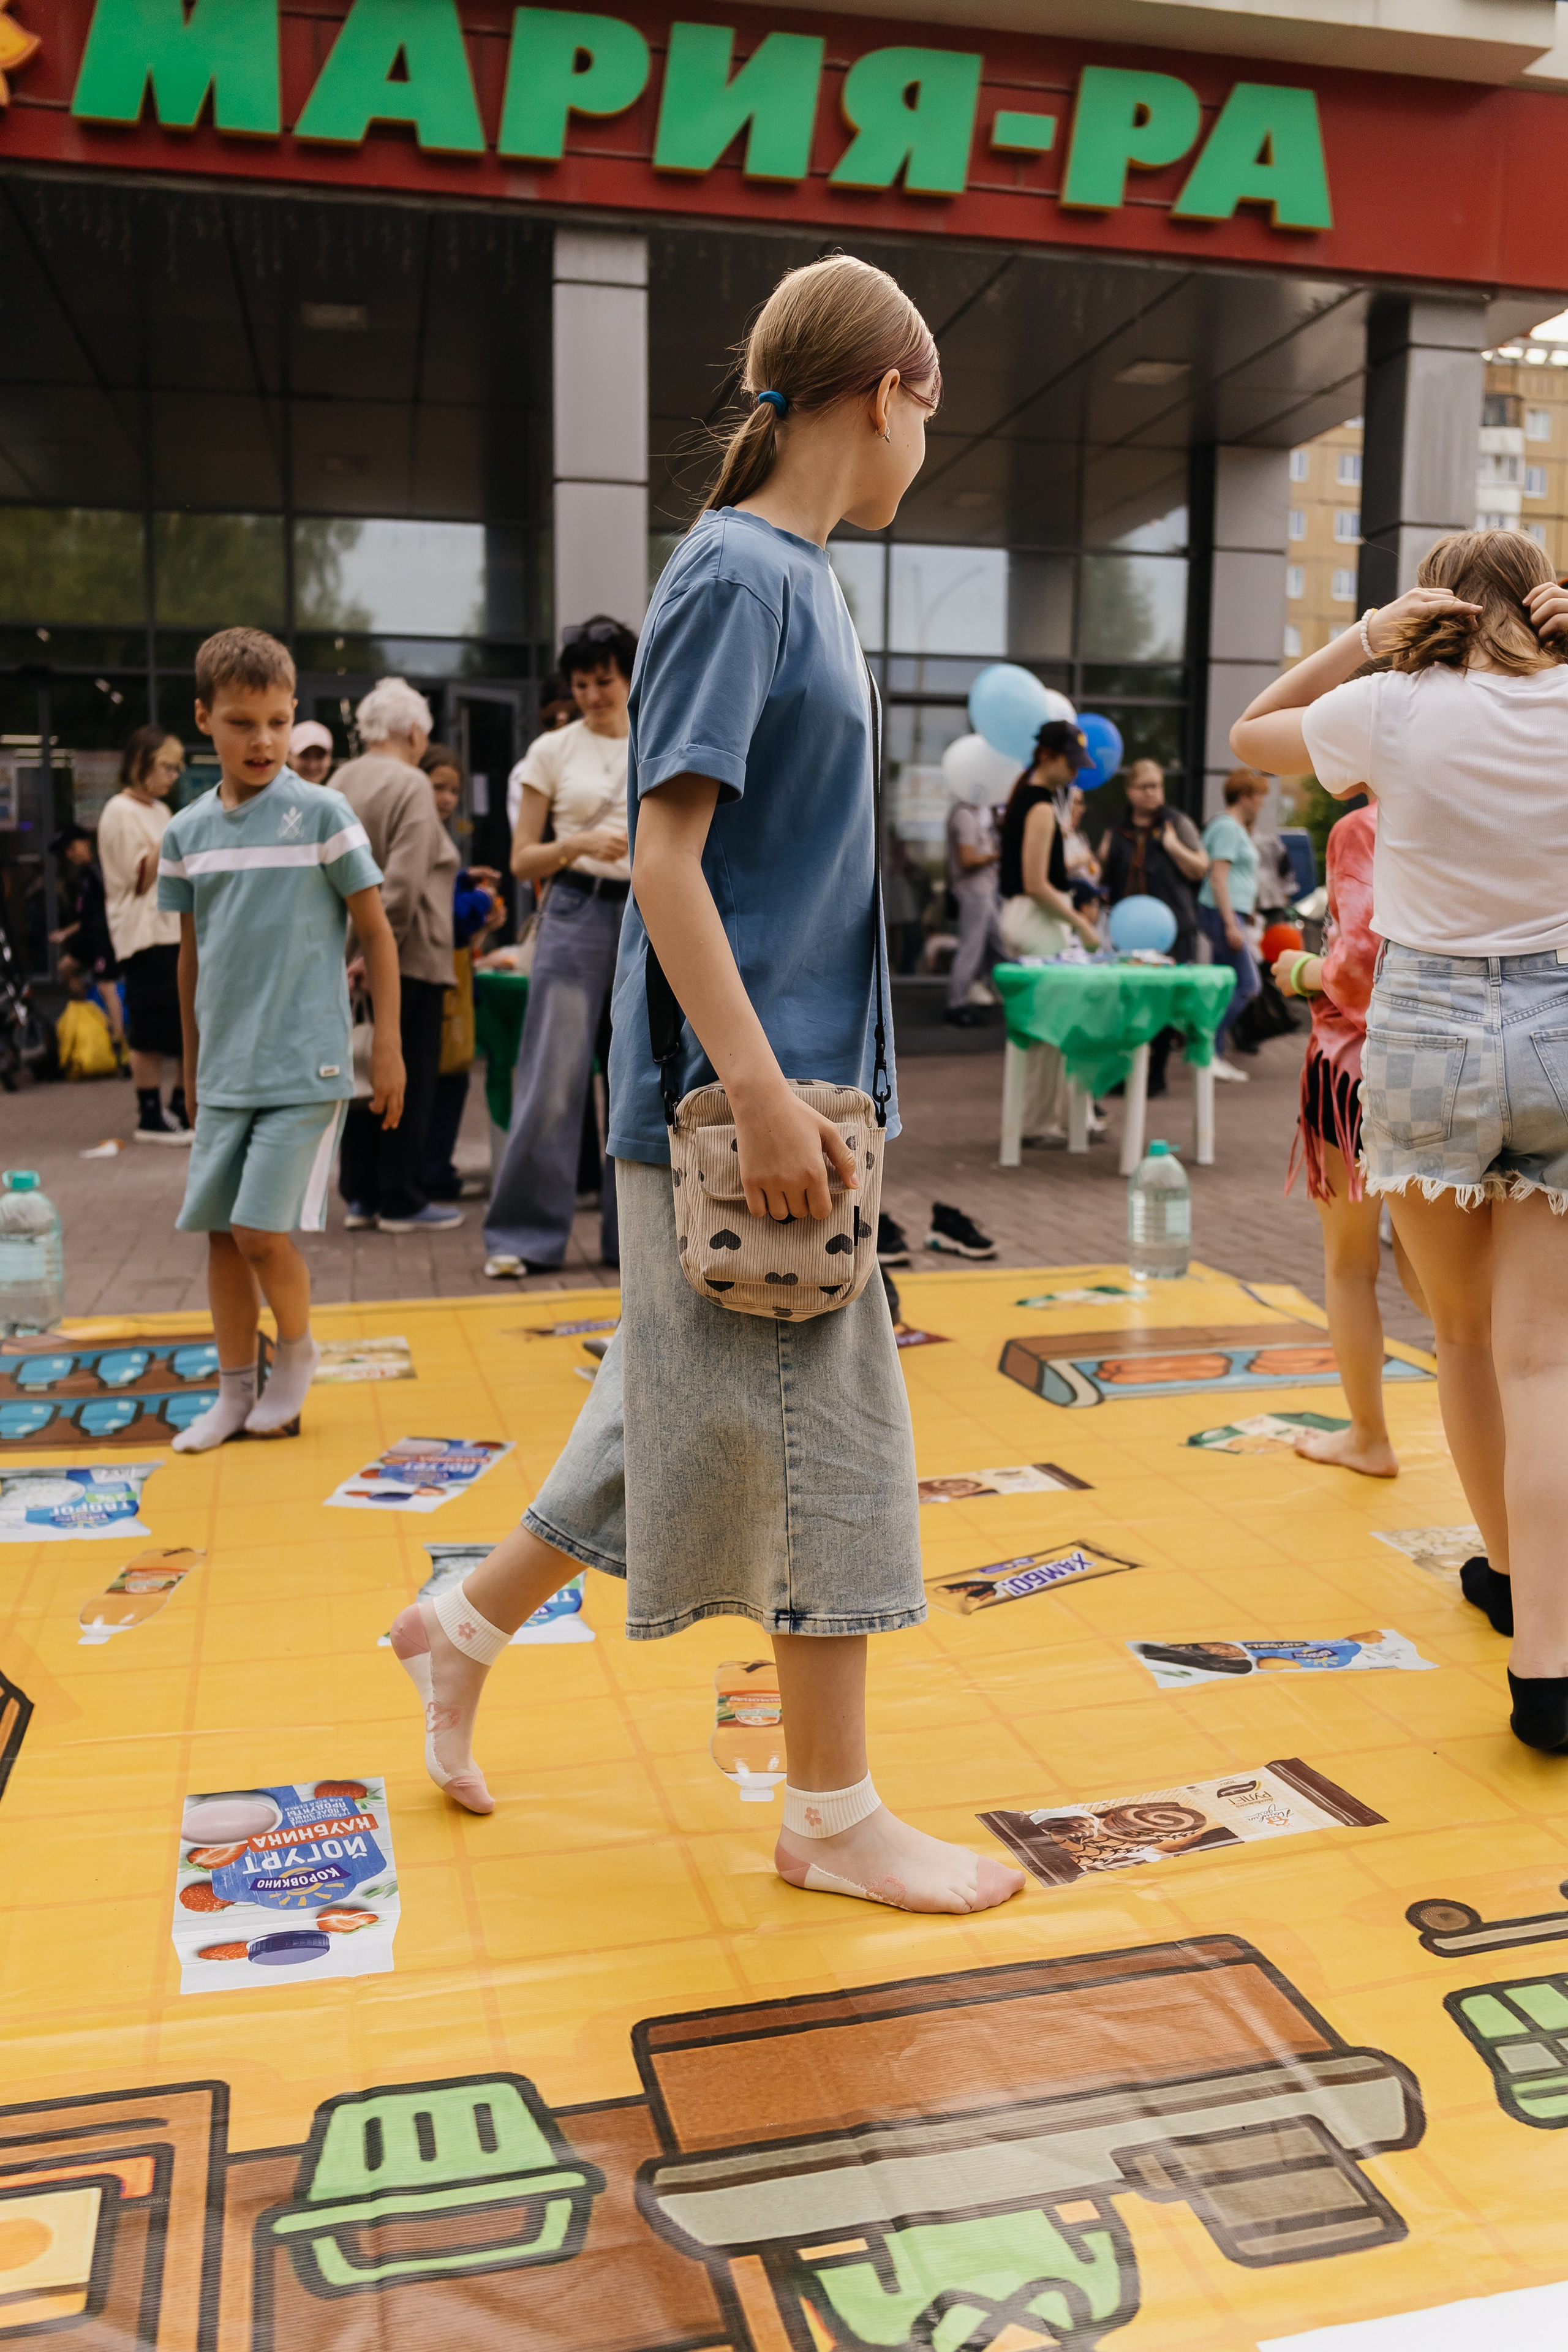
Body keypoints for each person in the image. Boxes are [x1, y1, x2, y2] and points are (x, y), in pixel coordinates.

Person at [390, 252, 1023, 1917]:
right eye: (927, 416)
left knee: (663, 1412)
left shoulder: (791, 575)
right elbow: (664, 863)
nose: (926, 452)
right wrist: (758, 1091)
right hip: (747, 1103)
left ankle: (455, 1628)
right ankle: (830, 1820)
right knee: (835, 1453)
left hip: (783, 1091)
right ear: (887, 390)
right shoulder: (743, 577)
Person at [1232, 527, 1568, 1754]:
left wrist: (1362, 637)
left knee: (1466, 1340)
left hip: (1419, 1033)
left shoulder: (1390, 704)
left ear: (1434, 606)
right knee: (1546, 1363)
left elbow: (1251, 734)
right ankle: (1546, 1663)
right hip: (1558, 1023)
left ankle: (1500, 1568)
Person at [156, 628, 404, 1452]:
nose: (260, 740)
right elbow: (191, 959)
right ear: (204, 720)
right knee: (222, 1236)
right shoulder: (187, 831)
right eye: (239, 723)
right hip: (225, 1069)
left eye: (274, 721)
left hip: (308, 1064)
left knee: (262, 1232)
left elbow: (377, 932)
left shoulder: (324, 813)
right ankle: (233, 1390)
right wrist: (191, 1069)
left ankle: (294, 1356)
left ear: (294, 714)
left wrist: (391, 1050)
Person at [1275, 802, 1426, 1478]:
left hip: (1357, 1069)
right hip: (1456, 1068)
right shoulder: (1488, 800)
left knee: (1350, 1264)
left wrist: (1303, 969)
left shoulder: (1365, 825)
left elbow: (1358, 963)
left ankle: (1368, 1436)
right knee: (1449, 1292)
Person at [484, 616, 638, 1276]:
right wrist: (575, 844)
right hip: (574, 909)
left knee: (641, 1083)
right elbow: (521, 860)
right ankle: (521, 1237)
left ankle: (632, 1245)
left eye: (605, 680)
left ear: (630, 676)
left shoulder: (661, 735)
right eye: (581, 683)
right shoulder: (551, 751)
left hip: (650, 915)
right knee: (552, 1079)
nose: (594, 694)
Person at [331, 677, 462, 1234]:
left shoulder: (338, 781)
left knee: (359, 1076)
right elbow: (404, 887)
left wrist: (346, 952)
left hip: (343, 953)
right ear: (414, 732)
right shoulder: (411, 785)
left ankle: (360, 1194)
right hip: (406, 957)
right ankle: (403, 1198)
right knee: (407, 1079)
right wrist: (372, 953)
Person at [996, 722, 1104, 1143]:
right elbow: (1036, 882)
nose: (1076, 772)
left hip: (1030, 918)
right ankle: (1038, 1123)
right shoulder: (1039, 806)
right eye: (1070, 762)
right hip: (1037, 920)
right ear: (1048, 757)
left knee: (1044, 1028)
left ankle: (1048, 1118)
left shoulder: (1030, 800)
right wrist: (1080, 924)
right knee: (1047, 1031)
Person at [97, 725, 190, 1142]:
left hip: (173, 930)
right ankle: (150, 1114)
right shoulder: (120, 811)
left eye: (178, 769)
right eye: (168, 767)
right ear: (141, 764)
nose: (174, 777)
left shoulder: (159, 810)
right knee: (152, 1028)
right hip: (145, 934)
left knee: (190, 1022)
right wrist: (176, 836)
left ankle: (179, 1108)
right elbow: (137, 879)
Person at [420, 744, 503, 1201]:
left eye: (454, 789)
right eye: (438, 787)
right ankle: (432, 1171)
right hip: (437, 972)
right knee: (445, 1077)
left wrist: (465, 880)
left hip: (445, 971)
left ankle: (433, 1168)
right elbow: (441, 912)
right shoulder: (422, 830)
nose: (448, 798)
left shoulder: (436, 832)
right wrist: (482, 902)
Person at [1098, 758, 1208, 1098]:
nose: (1154, 793)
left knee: (1164, 1003)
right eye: (1146, 787)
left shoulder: (1177, 824)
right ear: (1130, 791)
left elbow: (1200, 868)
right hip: (1127, 932)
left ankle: (1156, 1074)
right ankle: (1127, 1071)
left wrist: (1174, 848)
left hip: (1172, 929)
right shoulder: (1116, 831)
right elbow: (1101, 875)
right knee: (1128, 1004)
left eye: (1158, 786)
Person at [1197, 769, 1267, 1081]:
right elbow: (1218, 876)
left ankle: (1211, 1054)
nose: (1262, 803)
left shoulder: (1232, 827)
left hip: (1229, 912)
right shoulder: (1227, 827)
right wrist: (1231, 923)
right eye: (1258, 796)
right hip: (1222, 913)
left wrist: (1243, 913)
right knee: (1248, 985)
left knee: (1225, 987)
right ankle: (1207, 1051)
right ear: (1244, 796)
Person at [48, 824, 126, 1062]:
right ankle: (91, 1019)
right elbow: (85, 917)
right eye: (66, 852)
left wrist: (66, 934)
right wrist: (66, 932)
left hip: (103, 938)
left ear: (85, 843)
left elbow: (105, 909)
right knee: (66, 968)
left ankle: (119, 1044)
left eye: (72, 848)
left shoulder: (100, 869)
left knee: (106, 986)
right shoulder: (83, 875)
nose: (70, 855)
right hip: (88, 938)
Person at [942, 780, 1005, 1028]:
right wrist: (997, 855)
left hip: (983, 891)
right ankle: (955, 1005)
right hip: (974, 892)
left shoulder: (977, 815)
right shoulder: (965, 817)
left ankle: (1003, 993)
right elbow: (967, 859)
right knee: (971, 949)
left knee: (1000, 945)